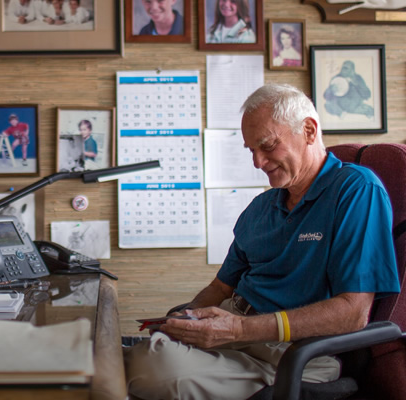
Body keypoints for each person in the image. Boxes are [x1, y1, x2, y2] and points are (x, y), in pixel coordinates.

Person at [123, 84, 401, 399]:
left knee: (148, 367)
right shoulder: (261, 207)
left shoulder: (356, 190)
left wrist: (238, 329)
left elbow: (352, 313)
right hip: (236, 331)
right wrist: (187, 318)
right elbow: (220, 288)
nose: (257, 162)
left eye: (267, 145)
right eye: (251, 150)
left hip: (293, 351)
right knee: (132, 356)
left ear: (309, 131)